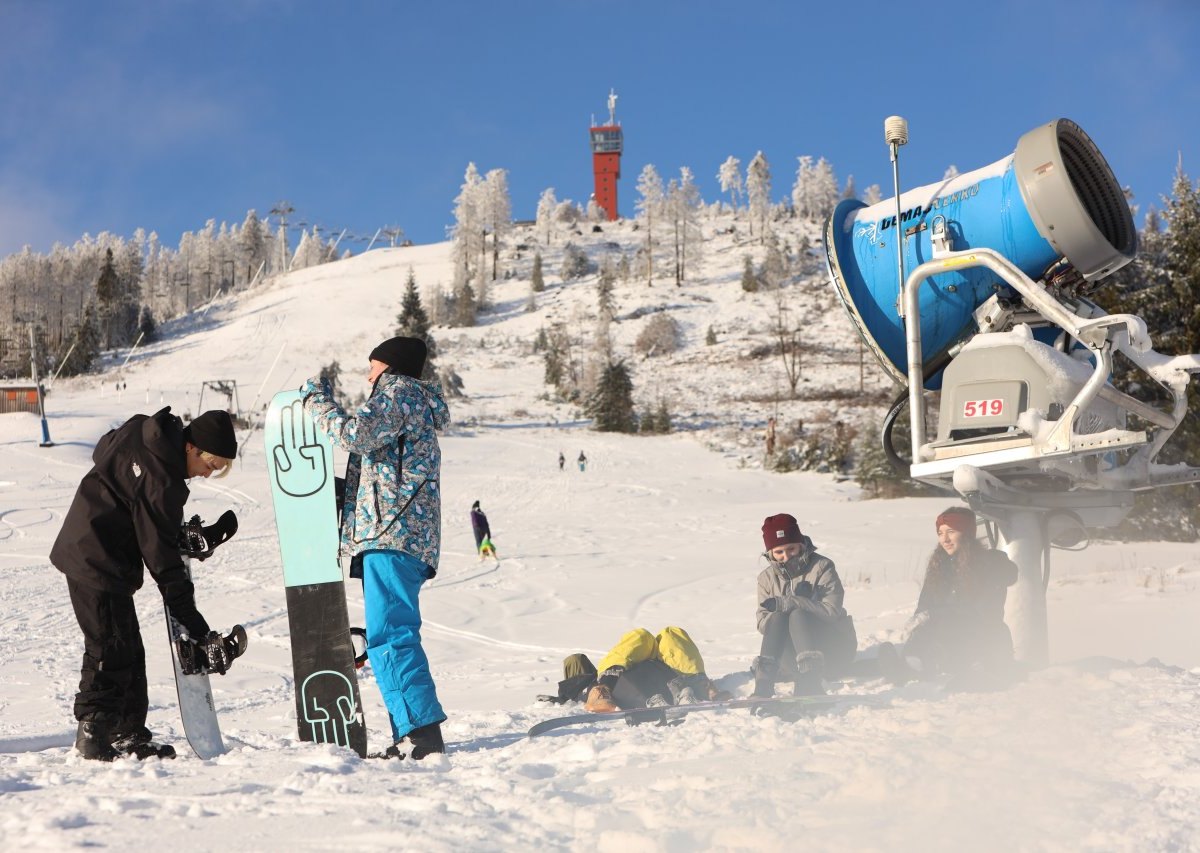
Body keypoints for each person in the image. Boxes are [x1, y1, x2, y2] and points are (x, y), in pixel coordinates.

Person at [50, 408, 238, 761]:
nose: (206, 475)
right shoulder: (162, 482)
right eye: (210, 466)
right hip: (96, 559)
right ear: (192, 449)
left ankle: (127, 732)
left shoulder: (142, 428)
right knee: (110, 649)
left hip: (94, 549)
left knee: (129, 649)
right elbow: (161, 561)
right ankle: (93, 732)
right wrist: (190, 617)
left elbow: (102, 449)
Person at [301, 335, 449, 760]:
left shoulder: (399, 393)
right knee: (392, 632)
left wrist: (317, 402)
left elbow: (354, 434)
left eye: (372, 366)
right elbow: (388, 471)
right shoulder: (411, 402)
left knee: (390, 635)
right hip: (397, 533)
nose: (368, 376)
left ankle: (420, 735)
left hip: (393, 535)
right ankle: (415, 730)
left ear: (391, 366)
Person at [879, 506, 1018, 683]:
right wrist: (918, 622)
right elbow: (925, 605)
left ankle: (920, 666)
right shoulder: (939, 567)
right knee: (924, 629)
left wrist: (933, 616)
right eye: (940, 533)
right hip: (946, 636)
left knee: (941, 628)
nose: (944, 539)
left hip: (981, 637)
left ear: (967, 533)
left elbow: (981, 613)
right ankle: (910, 665)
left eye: (951, 531)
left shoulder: (988, 564)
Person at [751, 513, 857, 698]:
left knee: (798, 614)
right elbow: (762, 623)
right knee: (777, 616)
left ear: (800, 544)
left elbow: (832, 611)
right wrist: (780, 611)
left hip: (832, 649)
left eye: (791, 548)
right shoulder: (766, 579)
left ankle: (810, 681)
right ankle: (763, 685)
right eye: (779, 552)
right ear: (770, 553)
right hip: (790, 659)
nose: (786, 556)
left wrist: (795, 602)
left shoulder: (822, 567)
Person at [568, 627, 729, 712]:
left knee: (671, 633)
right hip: (622, 683)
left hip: (658, 673)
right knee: (641, 635)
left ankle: (698, 683)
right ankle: (603, 688)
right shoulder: (581, 688)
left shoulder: (581, 682)